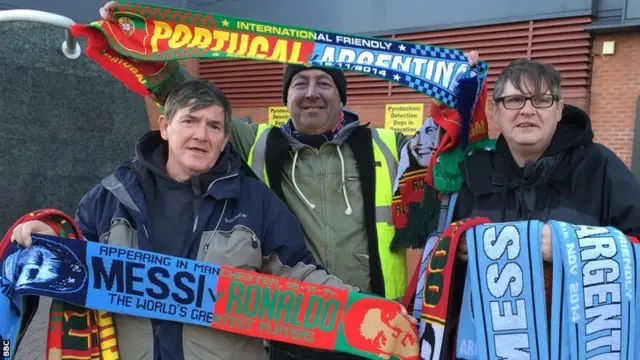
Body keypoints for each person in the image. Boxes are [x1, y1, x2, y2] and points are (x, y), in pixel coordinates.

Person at [11, 80, 414, 359]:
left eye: (214, 126)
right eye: (190, 121)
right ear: (166, 127)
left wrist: (375, 313)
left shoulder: (255, 201)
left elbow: (301, 275)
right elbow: (78, 250)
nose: (202, 135)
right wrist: (49, 238)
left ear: (225, 137)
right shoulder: (113, 195)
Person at [448, 58, 640, 356]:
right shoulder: (473, 171)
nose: (527, 110)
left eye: (541, 99)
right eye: (514, 100)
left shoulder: (599, 167)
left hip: (575, 347)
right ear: (496, 111)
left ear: (559, 109)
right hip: (488, 347)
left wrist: (572, 246)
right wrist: (455, 250)